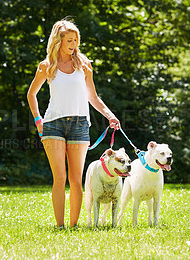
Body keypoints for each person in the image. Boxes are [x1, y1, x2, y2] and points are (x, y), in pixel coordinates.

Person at [27, 19, 120, 228]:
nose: (73, 44)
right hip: (53, 124)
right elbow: (31, 94)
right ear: (58, 41)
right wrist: (37, 118)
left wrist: (110, 115)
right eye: (69, 40)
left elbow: (93, 97)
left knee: (76, 180)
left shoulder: (84, 65)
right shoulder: (46, 66)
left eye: (76, 40)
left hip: (79, 124)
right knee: (59, 178)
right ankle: (60, 226)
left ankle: (74, 225)